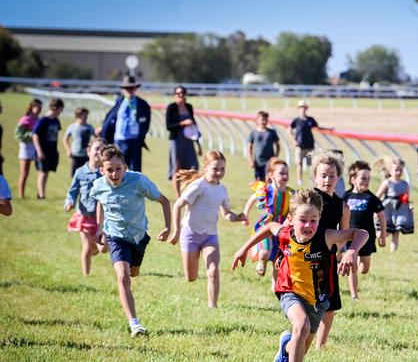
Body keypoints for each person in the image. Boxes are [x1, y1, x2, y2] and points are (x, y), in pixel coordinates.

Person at [232, 188, 368, 362]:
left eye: (313, 220)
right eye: (303, 220)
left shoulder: (325, 237)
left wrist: (351, 252)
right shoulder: (285, 234)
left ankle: (285, 347)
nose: (308, 225)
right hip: (290, 291)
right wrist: (243, 249)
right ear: (291, 219)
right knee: (301, 326)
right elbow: (268, 227)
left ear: (319, 218)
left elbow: (361, 233)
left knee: (299, 348)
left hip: (318, 300)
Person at [90, 144, 171, 336]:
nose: (115, 173)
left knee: (133, 273)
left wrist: (169, 227)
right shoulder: (99, 186)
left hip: (139, 236)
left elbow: (165, 201)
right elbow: (100, 202)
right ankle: (135, 324)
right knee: (123, 276)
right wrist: (100, 228)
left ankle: (135, 266)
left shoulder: (138, 181)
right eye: (109, 170)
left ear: (125, 166)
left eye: (118, 168)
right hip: (116, 237)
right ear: (102, 170)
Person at [170, 151, 246, 308]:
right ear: (205, 167)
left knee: (213, 271)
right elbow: (178, 205)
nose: (219, 172)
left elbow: (226, 214)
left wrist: (238, 217)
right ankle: (192, 262)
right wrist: (176, 231)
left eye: (222, 169)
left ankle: (213, 306)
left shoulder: (222, 190)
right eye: (215, 168)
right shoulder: (198, 186)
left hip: (210, 236)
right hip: (190, 234)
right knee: (191, 277)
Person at [310, 149, 350, 349]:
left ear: (338, 178)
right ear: (315, 177)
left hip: (329, 260)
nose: (327, 179)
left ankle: (321, 345)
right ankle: (301, 335)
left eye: (331, 176)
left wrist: (343, 252)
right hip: (306, 257)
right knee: (307, 302)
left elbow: (344, 234)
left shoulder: (342, 207)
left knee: (330, 305)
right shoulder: (308, 199)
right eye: (323, 175)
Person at [241, 158, 293, 283]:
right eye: (281, 173)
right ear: (271, 175)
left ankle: (276, 286)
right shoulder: (265, 190)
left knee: (278, 260)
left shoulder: (291, 193)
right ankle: (262, 261)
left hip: (281, 227)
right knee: (264, 252)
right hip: (265, 225)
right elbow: (252, 199)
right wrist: (245, 214)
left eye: (287, 173)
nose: (285, 175)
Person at [342, 160, 386, 300]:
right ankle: (354, 295)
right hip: (349, 237)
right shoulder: (346, 197)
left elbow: (382, 216)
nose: (367, 181)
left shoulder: (371, 198)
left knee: (364, 268)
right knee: (352, 265)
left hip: (366, 238)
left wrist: (383, 235)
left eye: (369, 178)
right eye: (363, 178)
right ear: (353, 179)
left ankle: (356, 267)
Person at [64, 138, 107, 275]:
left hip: (101, 218)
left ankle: (94, 250)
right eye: (96, 149)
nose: (99, 152)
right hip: (84, 216)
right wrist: (69, 202)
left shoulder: (106, 173)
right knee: (87, 246)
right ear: (88, 151)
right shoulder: (80, 172)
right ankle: (86, 275)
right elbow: (73, 191)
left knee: (101, 249)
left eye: (102, 150)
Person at [100, 75, 151, 172]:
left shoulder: (142, 104)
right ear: (123, 89)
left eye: (131, 88)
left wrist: (141, 135)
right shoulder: (119, 102)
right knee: (118, 169)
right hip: (119, 141)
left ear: (135, 88)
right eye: (126, 88)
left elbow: (146, 123)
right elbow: (110, 118)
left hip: (135, 141)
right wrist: (104, 130)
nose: (129, 90)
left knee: (134, 171)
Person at [166, 85, 200, 197]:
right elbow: (169, 126)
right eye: (178, 93)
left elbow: (194, 126)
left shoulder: (189, 107)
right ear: (175, 95)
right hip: (176, 140)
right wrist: (183, 123)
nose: (180, 95)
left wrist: (198, 144)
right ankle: (178, 195)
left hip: (188, 141)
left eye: (182, 93)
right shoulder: (171, 107)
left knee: (192, 167)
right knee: (177, 168)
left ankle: (189, 193)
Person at [288, 100, 332, 186]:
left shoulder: (310, 120)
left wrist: (328, 129)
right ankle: (299, 180)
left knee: (311, 165)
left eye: (304, 108)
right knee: (299, 164)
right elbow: (289, 130)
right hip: (300, 146)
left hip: (309, 146)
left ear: (306, 109)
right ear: (298, 109)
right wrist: (293, 140)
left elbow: (318, 128)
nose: (302, 110)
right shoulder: (296, 120)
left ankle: (312, 180)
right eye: (301, 108)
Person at [375, 156, 414, 252]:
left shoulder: (405, 184)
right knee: (385, 232)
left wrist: (409, 207)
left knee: (396, 232)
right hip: (388, 210)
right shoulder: (387, 183)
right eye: (396, 170)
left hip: (400, 210)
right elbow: (377, 197)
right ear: (390, 171)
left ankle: (393, 252)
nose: (398, 172)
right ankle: (373, 237)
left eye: (401, 170)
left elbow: (407, 198)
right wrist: (375, 209)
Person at [33, 98, 64, 199]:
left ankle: (41, 192)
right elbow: (35, 135)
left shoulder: (55, 120)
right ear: (55, 108)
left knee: (46, 172)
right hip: (43, 151)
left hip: (52, 151)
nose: (61, 111)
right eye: (60, 109)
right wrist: (39, 151)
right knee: (42, 172)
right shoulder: (44, 120)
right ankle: (41, 195)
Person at [15, 99, 42, 198]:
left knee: (40, 171)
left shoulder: (39, 120)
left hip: (36, 148)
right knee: (24, 172)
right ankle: (21, 195)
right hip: (26, 148)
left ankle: (40, 193)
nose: (39, 109)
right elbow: (18, 135)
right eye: (37, 107)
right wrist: (32, 134)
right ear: (32, 107)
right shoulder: (25, 119)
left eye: (40, 107)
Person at [248, 111, 280, 181]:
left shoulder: (272, 132)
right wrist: (250, 159)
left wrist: (276, 157)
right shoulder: (253, 133)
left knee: (270, 180)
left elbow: (278, 145)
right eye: (262, 119)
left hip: (270, 162)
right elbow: (249, 147)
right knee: (259, 181)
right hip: (258, 162)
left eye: (266, 119)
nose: (264, 121)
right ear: (257, 120)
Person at [63, 107, 96, 177]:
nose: (86, 117)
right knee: (75, 175)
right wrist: (68, 150)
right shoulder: (72, 127)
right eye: (84, 115)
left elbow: (96, 137)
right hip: (76, 154)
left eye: (87, 115)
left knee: (86, 174)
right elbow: (65, 139)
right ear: (78, 116)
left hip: (86, 155)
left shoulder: (89, 127)